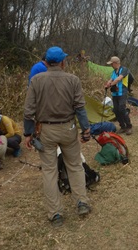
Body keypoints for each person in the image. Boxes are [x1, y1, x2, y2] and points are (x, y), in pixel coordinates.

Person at [24, 46, 92, 228]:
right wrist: (86, 130)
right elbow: (80, 108)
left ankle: (55, 214)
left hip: (46, 131)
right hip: (68, 128)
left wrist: (28, 133)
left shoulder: (36, 80)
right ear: (62, 61)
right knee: (75, 165)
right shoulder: (73, 80)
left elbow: (28, 110)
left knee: (49, 171)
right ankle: (82, 203)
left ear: (46, 62)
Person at [105, 56, 133, 135]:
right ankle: (122, 126)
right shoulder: (114, 71)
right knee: (116, 110)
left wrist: (110, 85)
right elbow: (111, 79)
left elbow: (118, 79)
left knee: (122, 109)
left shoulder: (124, 70)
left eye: (111, 64)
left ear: (115, 63)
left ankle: (129, 126)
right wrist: (108, 83)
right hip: (115, 93)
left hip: (122, 92)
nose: (111, 65)